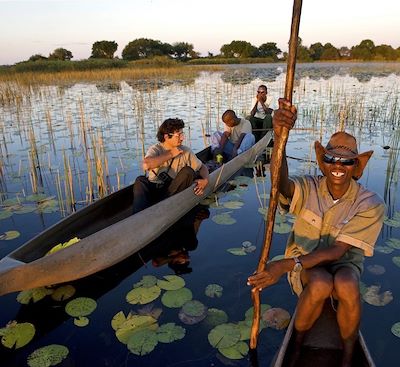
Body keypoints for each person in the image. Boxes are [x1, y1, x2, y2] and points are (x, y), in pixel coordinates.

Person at [247, 99, 385, 367]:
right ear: (324, 161)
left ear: (355, 166)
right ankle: (297, 348)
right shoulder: (308, 187)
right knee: (321, 282)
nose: (338, 165)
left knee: (346, 283)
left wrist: (284, 265)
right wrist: (280, 137)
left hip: (344, 264)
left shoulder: (370, 203)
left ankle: (347, 357)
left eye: (346, 162)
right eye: (332, 158)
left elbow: (337, 252)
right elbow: (281, 185)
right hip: (307, 265)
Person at [132, 118, 209, 214]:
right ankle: (138, 216)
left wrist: (205, 180)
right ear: (166, 136)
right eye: (179, 135)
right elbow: (146, 165)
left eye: (182, 134)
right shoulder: (156, 149)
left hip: (172, 190)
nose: (182, 138)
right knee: (140, 180)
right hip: (154, 189)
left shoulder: (185, 151)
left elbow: (202, 167)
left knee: (188, 171)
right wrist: (171, 154)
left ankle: (163, 207)